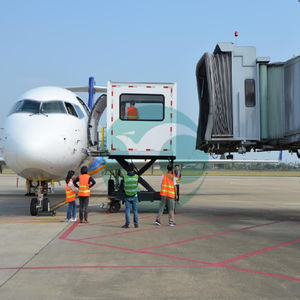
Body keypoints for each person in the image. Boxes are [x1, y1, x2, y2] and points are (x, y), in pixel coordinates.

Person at [122, 164, 139, 228]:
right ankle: (136, 224)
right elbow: (137, 184)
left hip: (127, 196)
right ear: (133, 169)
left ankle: (127, 224)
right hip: (134, 196)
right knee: (135, 211)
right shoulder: (137, 177)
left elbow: (123, 185)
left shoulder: (125, 177)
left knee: (127, 210)